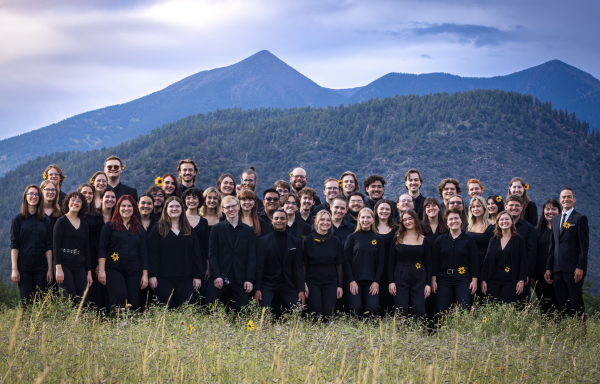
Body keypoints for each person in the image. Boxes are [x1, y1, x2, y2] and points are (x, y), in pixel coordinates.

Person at [148, 197, 203, 308]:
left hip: (185, 278)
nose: (174, 209)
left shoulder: (189, 229)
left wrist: (197, 276)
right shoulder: (157, 229)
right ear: (166, 209)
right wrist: (152, 275)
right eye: (171, 206)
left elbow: (196, 254)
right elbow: (152, 254)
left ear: (182, 209)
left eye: (177, 206)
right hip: (162, 278)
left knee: (185, 311)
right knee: (164, 312)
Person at [98, 195, 148, 311]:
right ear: (118, 208)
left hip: (134, 270)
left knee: (132, 301)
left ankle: (129, 326)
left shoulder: (139, 228)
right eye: (123, 205)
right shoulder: (109, 226)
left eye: (129, 206)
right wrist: (101, 270)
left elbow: (143, 252)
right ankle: (116, 325)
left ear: (134, 208)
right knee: (119, 296)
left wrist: (145, 275)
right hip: (113, 268)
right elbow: (102, 249)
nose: (126, 208)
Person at [206, 195, 256, 311]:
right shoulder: (216, 228)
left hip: (240, 277)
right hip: (221, 275)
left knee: (242, 310)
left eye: (233, 206)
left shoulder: (248, 230)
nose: (231, 209)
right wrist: (216, 275)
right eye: (227, 207)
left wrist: (249, 279)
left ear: (238, 207)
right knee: (209, 305)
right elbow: (212, 253)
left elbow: (251, 256)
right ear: (223, 210)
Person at [545, 188, 589, 319]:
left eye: (569, 197)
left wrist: (580, 267)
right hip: (557, 269)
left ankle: (581, 333)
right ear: (560, 200)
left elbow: (583, 247)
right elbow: (552, 246)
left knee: (576, 303)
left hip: (573, 269)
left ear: (574, 199)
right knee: (562, 305)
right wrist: (548, 267)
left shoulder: (580, 219)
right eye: (563, 197)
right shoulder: (555, 220)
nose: (566, 199)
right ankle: (567, 333)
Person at [255, 209, 305, 311]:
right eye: (276, 218)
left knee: (298, 310)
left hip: (288, 283)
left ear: (287, 221)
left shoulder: (295, 242)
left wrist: (301, 289)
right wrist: (257, 289)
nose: (279, 220)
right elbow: (259, 267)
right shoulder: (263, 241)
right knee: (261, 312)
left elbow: (298, 267)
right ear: (272, 221)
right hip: (268, 283)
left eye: (282, 218)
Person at [10, 185, 53, 302]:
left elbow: (48, 246)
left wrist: (50, 269)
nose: (34, 196)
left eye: (37, 194)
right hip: (24, 265)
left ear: (40, 198)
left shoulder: (46, 220)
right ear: (25, 197)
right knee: (26, 301)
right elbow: (14, 246)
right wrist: (14, 269)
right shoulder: (18, 220)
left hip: (41, 265)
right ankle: (25, 321)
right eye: (31, 194)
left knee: (40, 301)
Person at [431, 208, 478, 314]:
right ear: (447, 222)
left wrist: (474, 280)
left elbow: (474, 261)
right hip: (443, 279)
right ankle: (443, 331)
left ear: (461, 220)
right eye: (450, 219)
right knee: (441, 311)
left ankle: (462, 331)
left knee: (464, 310)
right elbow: (435, 261)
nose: (454, 221)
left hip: (463, 279)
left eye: (456, 218)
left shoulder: (469, 240)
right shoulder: (440, 240)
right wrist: (433, 280)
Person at [388, 209, 432, 318]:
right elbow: (391, 262)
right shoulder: (397, 239)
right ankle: (401, 333)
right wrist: (391, 282)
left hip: (419, 276)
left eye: (410, 218)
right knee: (402, 310)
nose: (408, 221)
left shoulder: (424, 240)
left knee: (419, 309)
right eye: (404, 220)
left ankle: (419, 333)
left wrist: (428, 284)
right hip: (400, 275)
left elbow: (428, 263)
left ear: (415, 219)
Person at [53, 192, 93, 304]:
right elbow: (56, 246)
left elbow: (87, 249)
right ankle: (69, 322)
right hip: (64, 263)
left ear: (82, 205)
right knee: (70, 298)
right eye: (73, 200)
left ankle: (81, 321)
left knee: (83, 300)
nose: (75, 202)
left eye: (79, 201)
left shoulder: (84, 225)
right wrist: (58, 268)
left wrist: (89, 272)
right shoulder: (61, 221)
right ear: (67, 202)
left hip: (79, 264)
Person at [302, 210, 343, 318]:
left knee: (328, 312)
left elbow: (339, 264)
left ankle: (328, 333)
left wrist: (339, 285)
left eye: (328, 220)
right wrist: (304, 283)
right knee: (316, 312)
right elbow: (304, 263)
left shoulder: (335, 241)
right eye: (322, 219)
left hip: (330, 279)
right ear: (316, 221)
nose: (325, 222)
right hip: (312, 279)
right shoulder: (307, 240)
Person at [344, 208, 384, 317]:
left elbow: (381, 262)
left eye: (368, 217)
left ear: (373, 220)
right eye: (362, 217)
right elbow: (346, 261)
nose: (365, 220)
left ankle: (370, 331)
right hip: (354, 280)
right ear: (358, 219)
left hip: (371, 281)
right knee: (356, 308)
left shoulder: (378, 238)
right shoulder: (352, 237)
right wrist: (351, 280)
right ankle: (356, 331)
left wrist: (376, 282)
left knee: (373, 308)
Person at [481, 211, 527, 304]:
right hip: (493, 279)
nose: (504, 221)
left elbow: (523, 261)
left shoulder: (519, 239)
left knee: (506, 308)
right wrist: (483, 280)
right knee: (492, 308)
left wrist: (521, 280)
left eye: (507, 219)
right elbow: (487, 261)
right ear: (497, 223)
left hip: (510, 280)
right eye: (501, 219)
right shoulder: (493, 240)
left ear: (512, 222)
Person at [78, 183, 108, 309]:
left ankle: (97, 319)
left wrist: (99, 263)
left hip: (94, 256)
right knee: (81, 289)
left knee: (95, 290)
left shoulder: (97, 216)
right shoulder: (73, 215)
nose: (87, 195)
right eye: (84, 193)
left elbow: (102, 241)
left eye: (90, 193)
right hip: (79, 257)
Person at [505, 194, 537, 302]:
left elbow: (531, 253)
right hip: (501, 273)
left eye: (517, 205)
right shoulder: (500, 226)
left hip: (520, 274)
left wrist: (525, 274)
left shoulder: (529, 228)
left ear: (521, 208)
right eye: (511, 205)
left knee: (521, 305)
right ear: (506, 207)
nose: (514, 208)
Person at [532, 199, 560, 314]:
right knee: (546, 307)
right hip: (540, 276)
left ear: (559, 211)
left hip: (560, 274)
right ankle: (546, 331)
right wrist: (531, 275)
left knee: (561, 306)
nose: (550, 212)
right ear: (543, 211)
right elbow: (532, 254)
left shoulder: (564, 229)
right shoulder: (536, 231)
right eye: (547, 209)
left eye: (554, 209)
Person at [464, 196, 495, 299]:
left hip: (483, 264)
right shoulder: (466, 226)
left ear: (484, 208)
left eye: (478, 206)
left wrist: (484, 277)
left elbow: (492, 251)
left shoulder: (491, 228)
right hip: (467, 265)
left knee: (482, 297)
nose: (475, 209)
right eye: (473, 207)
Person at [182, 187, 210, 302]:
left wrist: (208, 267)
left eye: (194, 197)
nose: (191, 200)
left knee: (199, 293)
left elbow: (207, 245)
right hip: (183, 260)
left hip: (200, 261)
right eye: (188, 198)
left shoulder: (204, 221)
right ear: (184, 200)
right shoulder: (179, 218)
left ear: (200, 201)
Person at [374, 199, 397, 315]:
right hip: (374, 268)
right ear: (376, 211)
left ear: (391, 211)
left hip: (391, 268)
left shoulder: (397, 229)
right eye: (381, 209)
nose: (384, 211)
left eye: (387, 209)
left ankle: (389, 326)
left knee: (389, 298)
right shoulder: (370, 228)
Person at [138, 193, 157, 310]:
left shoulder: (159, 224)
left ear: (153, 206)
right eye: (143, 203)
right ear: (137, 205)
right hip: (136, 266)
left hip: (154, 266)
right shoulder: (131, 223)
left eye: (149, 203)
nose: (146, 206)